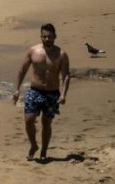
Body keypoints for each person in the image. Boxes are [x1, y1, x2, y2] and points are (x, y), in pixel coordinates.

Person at [12, 23, 71, 162]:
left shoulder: (61, 54)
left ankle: (44, 151)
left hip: (52, 93)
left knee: (46, 123)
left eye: (49, 37)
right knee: (28, 120)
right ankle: (33, 145)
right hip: (34, 90)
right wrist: (16, 89)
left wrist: (63, 94)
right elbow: (22, 70)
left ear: (55, 37)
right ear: (41, 37)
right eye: (44, 36)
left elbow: (66, 75)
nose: (47, 39)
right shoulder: (33, 51)